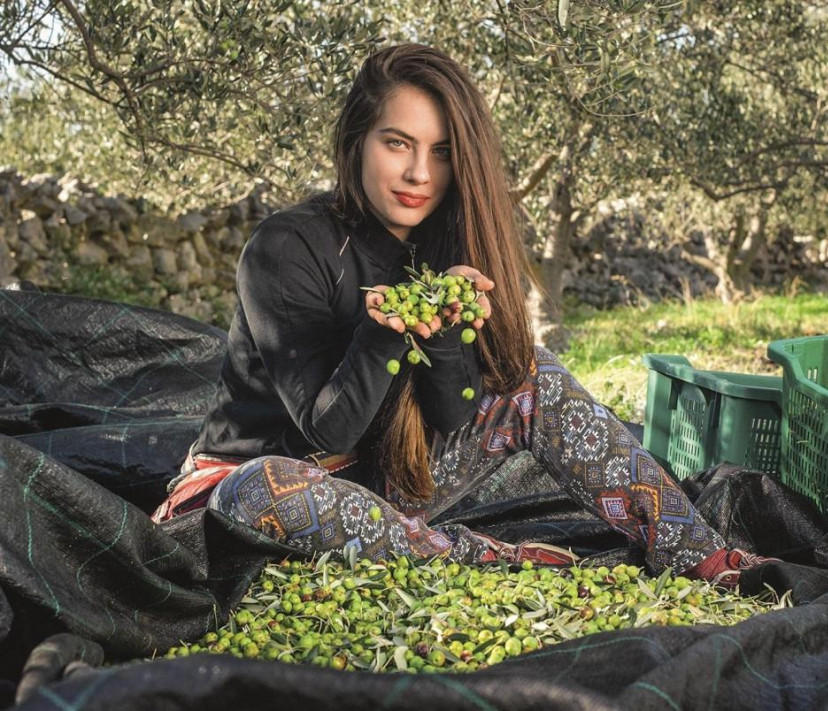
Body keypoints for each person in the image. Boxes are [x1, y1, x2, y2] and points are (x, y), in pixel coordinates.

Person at [152, 43, 776, 589]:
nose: (419, 173)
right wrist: (383, 333)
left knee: (535, 377)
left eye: (442, 152)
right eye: (397, 143)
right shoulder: (286, 248)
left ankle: (700, 554)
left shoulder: (442, 246)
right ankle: (478, 556)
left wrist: (446, 335)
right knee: (260, 487)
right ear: (356, 141)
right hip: (256, 499)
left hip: (379, 489)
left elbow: (452, 415)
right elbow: (327, 431)